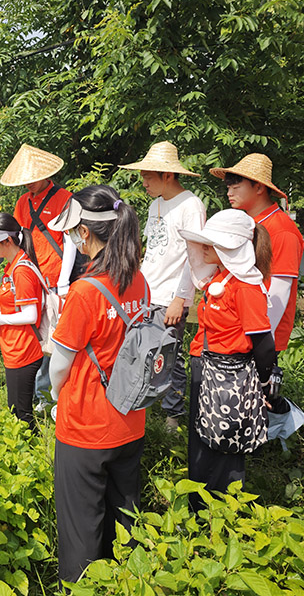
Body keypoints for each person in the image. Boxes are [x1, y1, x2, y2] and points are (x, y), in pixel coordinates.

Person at [46, 185, 146, 584]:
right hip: (130, 420)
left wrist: (56, 398)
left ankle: (82, 587)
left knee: (81, 525)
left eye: (72, 232)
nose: (71, 238)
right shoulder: (138, 281)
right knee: (125, 514)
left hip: (85, 426)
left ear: (84, 234)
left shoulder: (86, 292)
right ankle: (130, 583)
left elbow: (60, 365)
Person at [178, 209, 275, 512]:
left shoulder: (245, 288)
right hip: (206, 370)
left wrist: (263, 383)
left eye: (211, 243)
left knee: (225, 444)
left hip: (229, 377)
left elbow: (263, 343)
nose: (203, 247)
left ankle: (224, 513)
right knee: (202, 443)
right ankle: (200, 511)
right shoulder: (220, 279)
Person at [119, 141, 206, 431]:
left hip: (169, 295)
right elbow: (152, 251)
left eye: (148, 176)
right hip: (147, 292)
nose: (143, 182)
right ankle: (144, 403)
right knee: (143, 351)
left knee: (169, 356)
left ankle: (173, 414)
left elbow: (195, 257)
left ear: (167, 175)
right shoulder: (156, 203)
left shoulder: (191, 205)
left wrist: (180, 298)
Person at [0, 144, 80, 410]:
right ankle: (33, 391)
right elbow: (21, 238)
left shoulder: (64, 198)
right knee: (34, 333)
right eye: (25, 181)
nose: (29, 185)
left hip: (57, 279)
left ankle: (49, 394)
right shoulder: (23, 202)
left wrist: (64, 282)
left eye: (32, 179)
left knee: (54, 336)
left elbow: (70, 242)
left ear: (46, 174)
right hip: (31, 277)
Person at [210, 154, 304, 355]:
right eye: (228, 187)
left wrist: (261, 342)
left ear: (259, 188)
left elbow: (279, 290)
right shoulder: (245, 224)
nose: (229, 193)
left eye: (236, 187)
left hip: (258, 336)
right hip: (236, 331)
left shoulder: (282, 230)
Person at [0, 213, 44, 431]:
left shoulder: (21, 271)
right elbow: (15, 304)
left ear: (7, 241)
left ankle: (31, 455)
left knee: (21, 413)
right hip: (14, 348)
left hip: (24, 349)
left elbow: (30, 315)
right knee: (17, 408)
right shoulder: (12, 266)